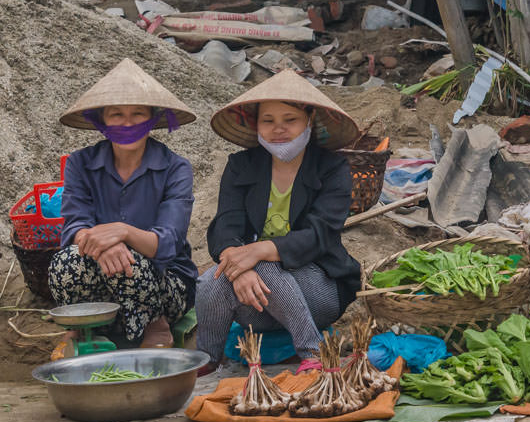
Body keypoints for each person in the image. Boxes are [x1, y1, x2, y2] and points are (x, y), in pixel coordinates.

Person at [196, 70, 362, 375]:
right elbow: (226, 225)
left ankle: (313, 353)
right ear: (256, 123)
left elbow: (320, 234)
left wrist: (257, 254)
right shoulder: (241, 165)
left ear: (309, 119)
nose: (278, 129)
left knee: (263, 264)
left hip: (319, 285)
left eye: (290, 119)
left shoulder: (332, 167)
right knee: (211, 282)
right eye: (268, 120)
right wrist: (238, 266)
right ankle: (206, 360)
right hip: (259, 296)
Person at [50, 58, 198, 349]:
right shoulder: (80, 163)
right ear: (102, 120)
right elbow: (74, 226)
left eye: (137, 114)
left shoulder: (175, 168)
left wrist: (123, 232)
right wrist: (104, 244)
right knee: (63, 264)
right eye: (117, 114)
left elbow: (168, 242)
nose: (127, 122)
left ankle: (156, 326)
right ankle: (86, 328)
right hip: (101, 273)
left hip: (163, 285)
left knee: (131, 263)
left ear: (153, 118)